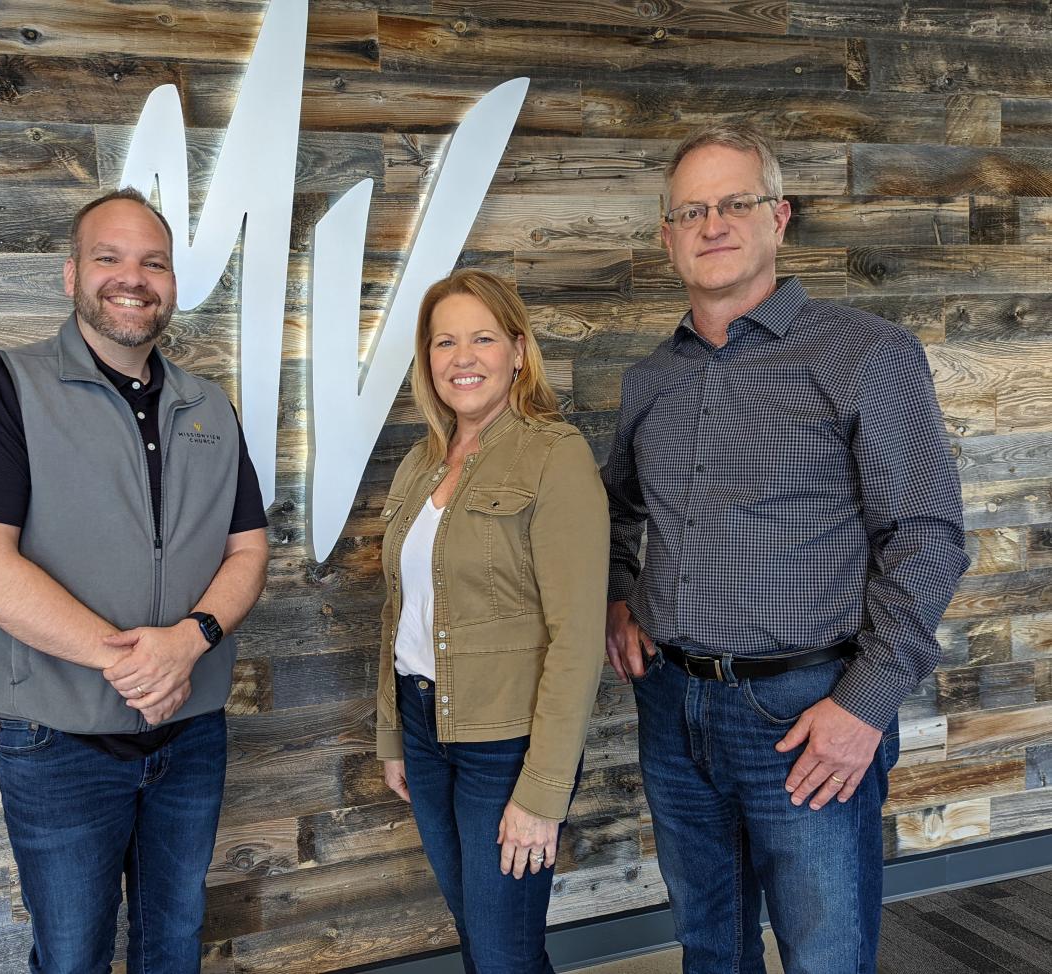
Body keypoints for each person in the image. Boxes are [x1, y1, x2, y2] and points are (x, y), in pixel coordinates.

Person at [602, 122, 969, 973]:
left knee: (824, 955)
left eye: (736, 202)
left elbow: (927, 537)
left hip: (808, 712)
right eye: (690, 210)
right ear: (667, 238)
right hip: (674, 704)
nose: (712, 223)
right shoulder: (650, 379)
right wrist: (620, 594)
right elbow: (614, 508)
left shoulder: (865, 354)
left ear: (780, 217)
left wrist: (863, 707)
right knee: (707, 943)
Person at [0, 188, 269, 973]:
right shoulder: (3, 387)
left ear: (173, 283)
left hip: (190, 737)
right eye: (109, 257)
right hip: (56, 744)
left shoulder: (208, 403)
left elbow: (248, 550)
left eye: (153, 262)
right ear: (71, 273)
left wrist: (191, 641)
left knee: (174, 944)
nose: (133, 277)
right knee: (73, 955)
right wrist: (135, 664)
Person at [375, 269, 608, 973]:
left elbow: (577, 639)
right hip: (424, 727)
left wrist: (542, 792)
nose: (462, 356)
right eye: (445, 341)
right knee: (479, 934)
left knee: (504, 950)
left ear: (516, 349)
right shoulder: (420, 463)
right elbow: (398, 611)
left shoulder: (554, 455)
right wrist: (392, 733)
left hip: (504, 744)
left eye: (481, 337)